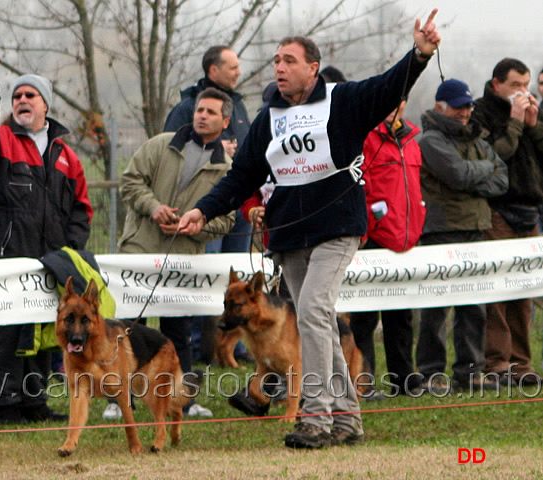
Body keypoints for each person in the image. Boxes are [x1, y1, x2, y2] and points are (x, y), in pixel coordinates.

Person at [178, 10, 441, 449]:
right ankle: (350, 420)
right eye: (276, 60)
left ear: (312, 68)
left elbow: (387, 86)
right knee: (318, 322)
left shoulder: (341, 100)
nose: (279, 67)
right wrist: (202, 213)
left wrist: (419, 54)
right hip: (289, 237)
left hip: (338, 229)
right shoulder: (267, 119)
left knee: (316, 312)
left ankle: (315, 417)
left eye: (289, 60)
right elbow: (240, 178)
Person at [0, 49, 93, 425]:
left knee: (45, 332)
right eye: (17, 96)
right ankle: (4, 405)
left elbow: (82, 207)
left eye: (29, 95)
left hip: (53, 260)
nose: (21, 101)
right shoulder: (1, 139)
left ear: (46, 105)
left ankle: (34, 403)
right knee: (7, 333)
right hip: (7, 256)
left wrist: (72, 250)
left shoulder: (66, 153)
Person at [119, 87, 236, 418]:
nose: (202, 115)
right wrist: (154, 208)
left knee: (178, 333)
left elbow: (227, 220)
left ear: (225, 121)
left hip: (184, 260)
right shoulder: (160, 144)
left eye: (211, 112)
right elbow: (130, 183)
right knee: (127, 330)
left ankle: (184, 400)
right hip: (140, 252)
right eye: (200, 109)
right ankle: (120, 399)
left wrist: (199, 226)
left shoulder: (226, 169)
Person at [417, 79, 509, 391]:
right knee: (436, 308)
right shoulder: (429, 141)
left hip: (475, 229)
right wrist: (482, 171)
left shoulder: (478, 140)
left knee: (474, 305)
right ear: (440, 106)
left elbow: (503, 180)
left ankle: (470, 372)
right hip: (440, 231)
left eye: (468, 106)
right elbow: (458, 174)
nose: (464, 112)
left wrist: (471, 177)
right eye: (458, 106)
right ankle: (431, 373)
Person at [164, 45, 252, 367]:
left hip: (239, 207)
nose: (238, 72)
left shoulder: (239, 107)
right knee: (206, 273)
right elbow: (169, 151)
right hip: (205, 207)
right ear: (213, 71)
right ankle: (201, 344)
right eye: (232, 67)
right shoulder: (187, 107)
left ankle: (233, 343)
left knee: (235, 274)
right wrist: (217, 149)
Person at [471, 59, 543, 386]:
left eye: (526, 85)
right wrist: (514, 123)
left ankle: (521, 363)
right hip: (497, 210)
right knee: (498, 288)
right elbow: (494, 157)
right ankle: (497, 362)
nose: (522, 92)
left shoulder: (531, 113)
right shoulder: (481, 113)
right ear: (496, 83)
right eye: (515, 85)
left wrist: (533, 123)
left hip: (529, 212)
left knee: (524, 289)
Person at [349, 100, 425, 399]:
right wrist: (366, 226)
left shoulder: (410, 141)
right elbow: (356, 185)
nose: (394, 107)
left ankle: (403, 379)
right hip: (374, 238)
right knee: (365, 317)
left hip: (404, 238)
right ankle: (363, 383)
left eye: (399, 101)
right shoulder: (364, 138)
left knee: (401, 314)